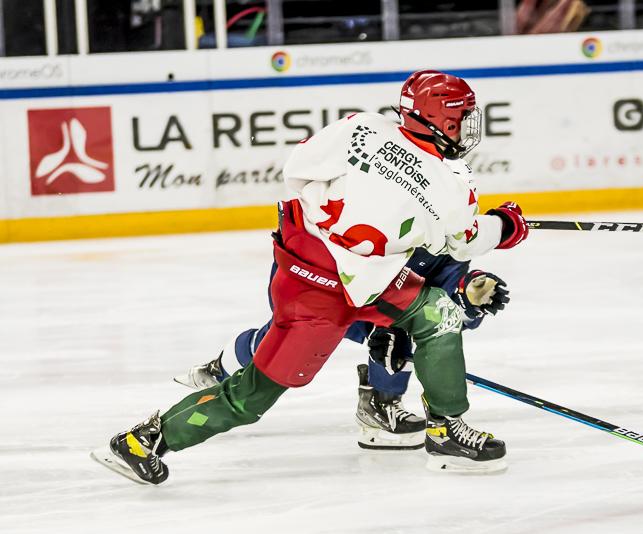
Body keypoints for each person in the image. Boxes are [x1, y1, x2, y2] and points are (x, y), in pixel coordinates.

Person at [92, 69, 529, 484]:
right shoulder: (451, 182)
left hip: (307, 265)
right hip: (327, 291)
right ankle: (142, 440)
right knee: (255, 394)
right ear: (443, 119)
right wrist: (506, 226)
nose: (467, 127)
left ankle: (444, 428)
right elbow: (463, 240)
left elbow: (298, 168)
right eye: (461, 117)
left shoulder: (362, 126)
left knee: (436, 314)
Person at [174, 249, 511, 451]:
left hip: (379, 301)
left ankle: (380, 405)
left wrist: (468, 297)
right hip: (321, 286)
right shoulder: (378, 207)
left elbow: (443, 309)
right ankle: (224, 368)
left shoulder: (444, 229)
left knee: (401, 336)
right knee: (282, 349)